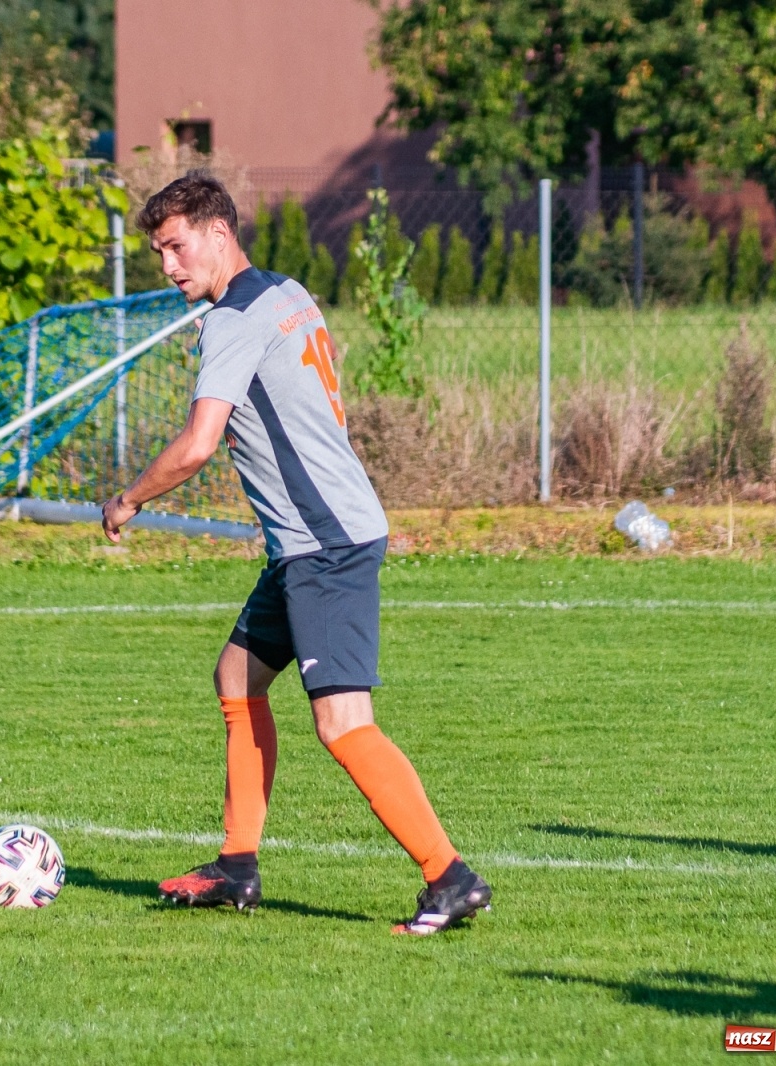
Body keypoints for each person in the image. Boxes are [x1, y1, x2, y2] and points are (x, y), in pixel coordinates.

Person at [100, 172, 490, 936]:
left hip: (325, 545)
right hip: (310, 540)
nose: (169, 267)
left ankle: (450, 875)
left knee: (343, 724)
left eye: (177, 248)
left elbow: (198, 444)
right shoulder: (284, 290)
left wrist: (130, 499)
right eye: (158, 253)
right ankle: (237, 865)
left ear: (219, 234)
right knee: (237, 678)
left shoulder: (230, 323)